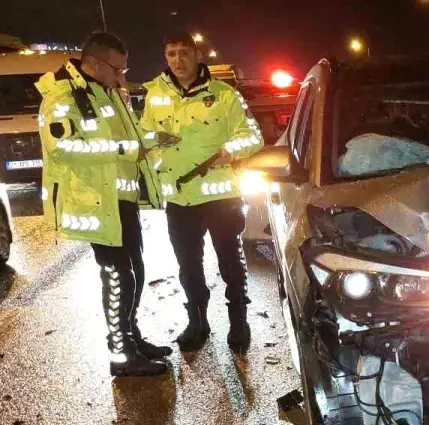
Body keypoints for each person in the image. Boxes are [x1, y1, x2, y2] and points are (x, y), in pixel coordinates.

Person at [36, 32, 170, 377]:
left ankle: (131, 337)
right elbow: (63, 149)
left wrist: (151, 140)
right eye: (117, 68)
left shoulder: (106, 91)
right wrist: (126, 151)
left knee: (134, 272)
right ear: (93, 63)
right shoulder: (63, 96)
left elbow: (125, 138)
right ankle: (122, 354)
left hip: (122, 199)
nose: (121, 75)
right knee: (118, 276)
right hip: (96, 202)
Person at [141, 33, 263, 353]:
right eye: (171, 54)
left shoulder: (224, 94)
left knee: (231, 263)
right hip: (179, 198)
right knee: (188, 266)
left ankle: (238, 321)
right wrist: (154, 147)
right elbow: (145, 137)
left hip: (219, 196)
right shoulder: (155, 95)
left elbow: (253, 137)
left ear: (197, 55)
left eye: (183, 53)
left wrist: (230, 152)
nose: (177, 60)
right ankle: (197, 323)